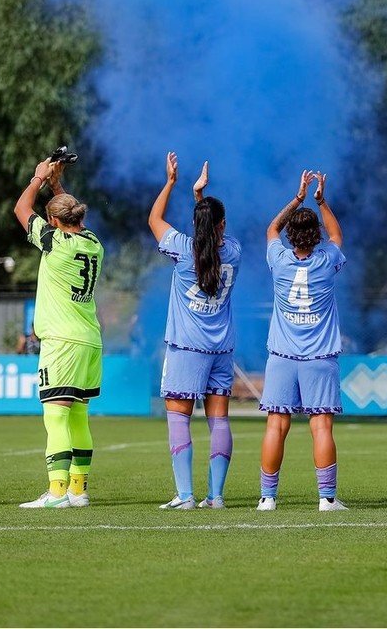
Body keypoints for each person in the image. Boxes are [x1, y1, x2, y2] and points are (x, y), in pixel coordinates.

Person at [148, 153, 241, 510]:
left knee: (178, 417)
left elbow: (154, 219)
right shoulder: (234, 251)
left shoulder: (183, 250)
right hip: (222, 349)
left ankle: (185, 495)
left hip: (187, 348)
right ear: (223, 225)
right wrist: (202, 198)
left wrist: (172, 183)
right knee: (219, 420)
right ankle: (215, 497)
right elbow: (213, 235)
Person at [14, 157, 103, 508]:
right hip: (89, 339)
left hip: (62, 342)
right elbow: (70, 217)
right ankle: (78, 490)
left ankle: (56, 492)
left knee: (56, 414)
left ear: (53, 221)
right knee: (79, 414)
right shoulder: (94, 242)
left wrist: (38, 177)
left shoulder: (54, 242)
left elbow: (21, 208)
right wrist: (56, 186)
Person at [257, 170, 348, 512]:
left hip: (281, 357)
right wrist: (321, 200)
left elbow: (270, 230)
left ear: (291, 236)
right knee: (321, 426)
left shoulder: (278, 259)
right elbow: (337, 233)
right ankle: (326, 499)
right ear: (317, 236)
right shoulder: (327, 261)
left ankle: (267, 498)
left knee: (276, 426)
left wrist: (298, 197)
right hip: (320, 358)